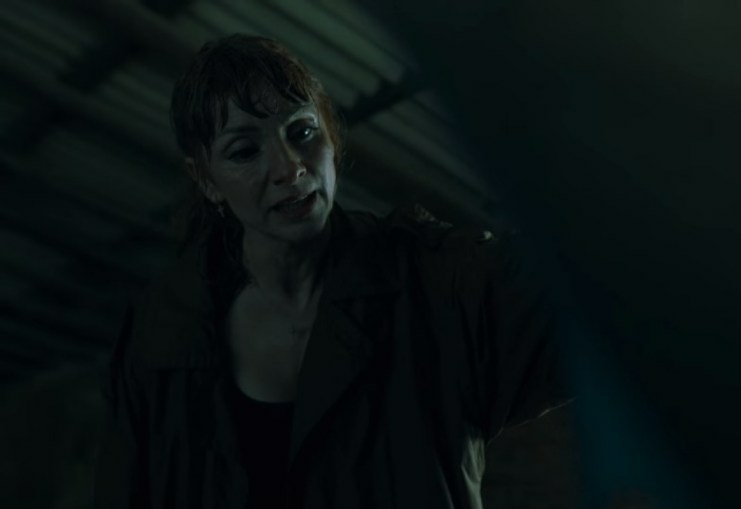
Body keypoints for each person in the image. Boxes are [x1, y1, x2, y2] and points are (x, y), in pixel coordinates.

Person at [94, 34, 572, 509]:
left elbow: (582, 298)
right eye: (244, 151)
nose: (289, 168)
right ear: (206, 179)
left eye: (302, 132)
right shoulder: (163, 332)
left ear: (331, 135)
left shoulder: (434, 281)